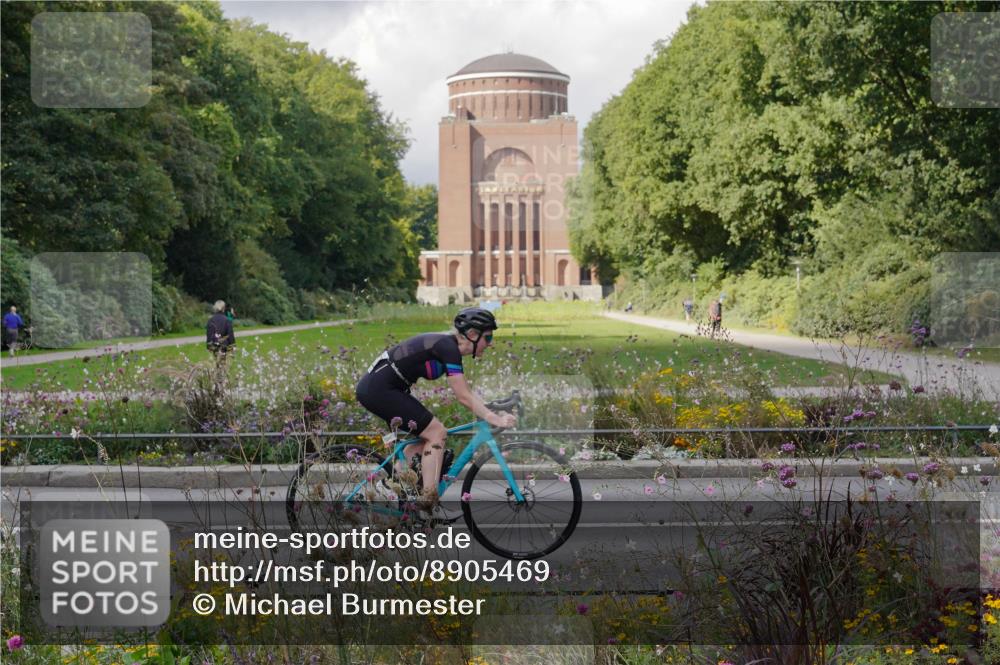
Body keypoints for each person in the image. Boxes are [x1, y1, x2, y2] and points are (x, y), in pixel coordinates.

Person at [355, 307, 517, 509]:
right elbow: (463, 397)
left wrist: (489, 408)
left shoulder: (447, 347)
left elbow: (464, 390)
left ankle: (387, 488)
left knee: (425, 441)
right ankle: (429, 503)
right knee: (437, 432)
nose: (490, 344)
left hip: (385, 388)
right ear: (473, 335)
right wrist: (493, 418)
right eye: (488, 337)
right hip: (379, 390)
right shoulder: (447, 348)